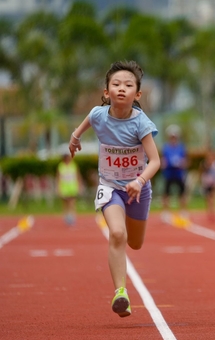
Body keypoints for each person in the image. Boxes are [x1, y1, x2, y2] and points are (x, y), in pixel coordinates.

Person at [69, 60, 160, 318]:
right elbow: (85, 123)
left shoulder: (141, 123)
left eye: (128, 85)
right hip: (110, 188)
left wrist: (139, 182)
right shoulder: (99, 114)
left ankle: (122, 280)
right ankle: (121, 293)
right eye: (116, 84)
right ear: (106, 91)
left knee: (136, 243)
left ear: (137, 94)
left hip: (138, 190)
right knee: (117, 234)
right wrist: (75, 139)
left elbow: (155, 161)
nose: (121, 88)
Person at [161, 124, 188, 218]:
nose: (173, 139)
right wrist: (165, 164)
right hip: (169, 173)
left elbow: (185, 160)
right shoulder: (166, 147)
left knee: (182, 192)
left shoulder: (181, 147)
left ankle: (183, 210)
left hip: (179, 173)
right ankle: (165, 211)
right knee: (166, 192)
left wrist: (181, 163)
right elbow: (163, 160)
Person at [57, 153, 82, 226]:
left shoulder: (73, 165)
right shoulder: (61, 166)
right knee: (65, 204)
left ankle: (72, 218)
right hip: (64, 188)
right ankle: (66, 217)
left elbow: (78, 176)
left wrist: (79, 186)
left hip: (72, 187)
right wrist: (58, 188)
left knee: (72, 203)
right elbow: (58, 177)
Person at [200, 150, 215, 221]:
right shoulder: (204, 163)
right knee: (207, 198)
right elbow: (201, 172)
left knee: (213, 197)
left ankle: (213, 211)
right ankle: (209, 211)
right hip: (206, 183)